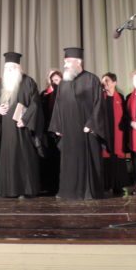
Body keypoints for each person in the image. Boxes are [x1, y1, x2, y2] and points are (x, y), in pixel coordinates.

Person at [48, 47, 107, 199]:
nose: (65, 65)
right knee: (70, 162)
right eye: (64, 62)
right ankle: (69, 192)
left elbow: (99, 104)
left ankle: (88, 192)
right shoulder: (63, 83)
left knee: (88, 162)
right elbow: (58, 105)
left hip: (86, 129)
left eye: (68, 62)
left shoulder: (92, 79)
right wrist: (58, 125)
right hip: (68, 131)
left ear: (78, 62)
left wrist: (91, 124)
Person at [0, 52, 43, 198]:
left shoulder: (29, 82)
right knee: (8, 157)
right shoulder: (1, 85)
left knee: (23, 157)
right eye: (6, 68)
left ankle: (25, 190)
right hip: (7, 129)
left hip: (22, 128)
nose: (9, 70)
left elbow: (35, 104)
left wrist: (25, 119)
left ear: (19, 68)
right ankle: (7, 190)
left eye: (12, 67)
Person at [101, 72, 129, 196]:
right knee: (106, 157)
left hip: (118, 132)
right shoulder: (100, 97)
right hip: (105, 132)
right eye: (103, 81)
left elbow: (125, 115)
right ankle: (106, 185)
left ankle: (118, 186)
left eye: (107, 81)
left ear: (114, 83)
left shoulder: (120, 97)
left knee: (118, 158)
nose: (105, 83)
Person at [40, 69, 62, 195]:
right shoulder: (44, 94)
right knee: (49, 159)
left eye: (57, 80)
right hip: (47, 132)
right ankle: (50, 186)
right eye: (52, 80)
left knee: (60, 159)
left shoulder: (65, 94)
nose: (54, 82)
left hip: (60, 132)